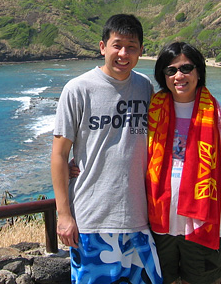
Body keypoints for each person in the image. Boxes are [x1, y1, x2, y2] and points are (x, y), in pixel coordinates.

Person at [51, 14, 162, 284]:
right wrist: (64, 215)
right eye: (117, 45)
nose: (123, 53)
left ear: (141, 51)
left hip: (140, 222)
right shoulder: (78, 89)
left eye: (131, 47)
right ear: (103, 47)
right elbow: (58, 155)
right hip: (92, 221)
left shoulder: (145, 87)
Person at [146, 42, 221, 284]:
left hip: (201, 221)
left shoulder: (219, 113)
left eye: (187, 68)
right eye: (171, 70)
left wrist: (198, 168)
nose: (179, 76)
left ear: (199, 72)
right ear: (163, 76)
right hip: (159, 219)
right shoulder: (151, 111)